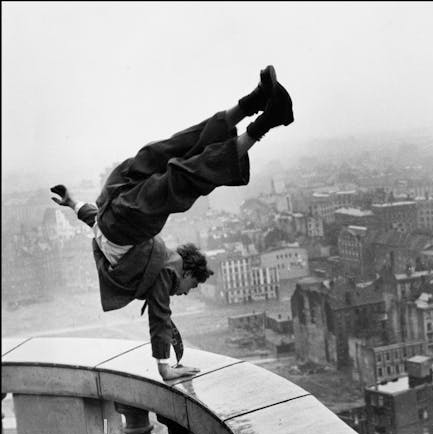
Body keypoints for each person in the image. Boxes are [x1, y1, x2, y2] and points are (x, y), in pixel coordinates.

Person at [51, 65, 293, 381]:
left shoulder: (157, 264)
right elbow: (160, 316)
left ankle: (260, 107)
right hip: (119, 211)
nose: (184, 293)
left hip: (113, 202)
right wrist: (166, 368)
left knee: (170, 153)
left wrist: (71, 203)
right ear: (186, 271)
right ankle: (263, 116)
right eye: (190, 287)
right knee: (180, 172)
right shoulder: (165, 271)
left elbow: (95, 225)